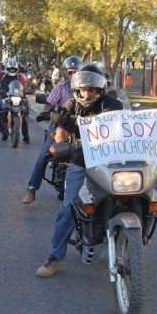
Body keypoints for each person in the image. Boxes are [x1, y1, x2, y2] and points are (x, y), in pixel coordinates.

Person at [36, 64, 123, 277]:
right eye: (83, 90)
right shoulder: (71, 104)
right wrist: (59, 141)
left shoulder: (112, 104)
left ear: (99, 89)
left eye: (91, 90)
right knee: (68, 207)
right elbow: (61, 130)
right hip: (81, 160)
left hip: (109, 161)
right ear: (77, 89)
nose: (87, 93)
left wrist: (75, 123)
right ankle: (54, 257)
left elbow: (105, 124)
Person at [22, 56, 81, 204]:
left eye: (76, 72)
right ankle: (32, 188)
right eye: (70, 72)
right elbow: (49, 103)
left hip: (82, 129)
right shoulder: (60, 88)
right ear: (65, 72)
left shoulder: (86, 89)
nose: (73, 75)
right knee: (44, 155)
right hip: (60, 127)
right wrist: (48, 113)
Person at [0, 58, 28, 142]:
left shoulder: (20, 76)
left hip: (17, 97)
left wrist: (26, 89)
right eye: (10, 69)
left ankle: (26, 135)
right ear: (7, 69)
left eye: (13, 69)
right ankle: (1, 129)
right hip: (5, 96)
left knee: (24, 113)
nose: (12, 71)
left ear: (16, 69)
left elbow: (24, 85)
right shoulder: (3, 75)